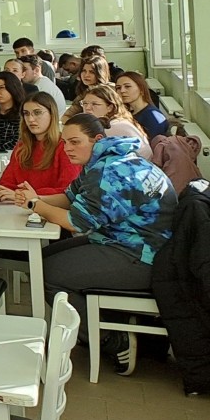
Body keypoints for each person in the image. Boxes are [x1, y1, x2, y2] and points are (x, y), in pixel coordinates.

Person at [29, 116, 178, 374]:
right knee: (42, 257)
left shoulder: (109, 171)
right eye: (65, 143)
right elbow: (70, 198)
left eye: (75, 142)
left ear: (97, 139)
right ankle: (102, 323)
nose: (67, 149)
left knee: (44, 273)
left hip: (143, 257)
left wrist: (35, 205)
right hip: (128, 242)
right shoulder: (109, 159)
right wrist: (31, 197)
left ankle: (110, 339)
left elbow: (76, 222)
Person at [0, 92, 80, 201]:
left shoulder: (65, 147)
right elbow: (6, 182)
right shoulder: (22, 146)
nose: (31, 119)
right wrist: (0, 191)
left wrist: (21, 195)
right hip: (17, 206)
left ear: (52, 114)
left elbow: (68, 191)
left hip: (50, 208)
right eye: (26, 114)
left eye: (37, 113)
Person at [78, 84, 151, 158]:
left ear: (110, 107)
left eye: (95, 104)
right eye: (84, 103)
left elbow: (87, 155)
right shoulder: (115, 121)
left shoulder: (114, 126)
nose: (87, 108)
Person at [116, 72, 170, 140]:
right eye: (118, 88)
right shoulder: (129, 113)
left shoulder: (152, 116)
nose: (122, 91)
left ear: (141, 89)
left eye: (127, 86)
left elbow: (153, 144)